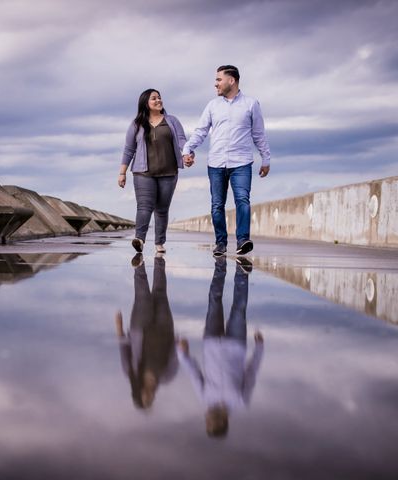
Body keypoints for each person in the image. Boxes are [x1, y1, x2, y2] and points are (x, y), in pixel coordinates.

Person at [182, 65, 271, 257]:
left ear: (232, 80)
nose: (215, 84)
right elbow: (201, 131)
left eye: (218, 80)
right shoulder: (212, 106)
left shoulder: (251, 104)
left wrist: (266, 158)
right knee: (217, 204)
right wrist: (188, 149)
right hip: (216, 163)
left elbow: (259, 134)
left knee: (242, 200)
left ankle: (243, 240)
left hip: (241, 163)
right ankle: (220, 243)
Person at [177, 257, 264, 438]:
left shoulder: (205, 399)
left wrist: (182, 354)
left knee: (214, 300)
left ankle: (220, 266)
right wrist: (259, 348)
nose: (206, 419)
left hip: (211, 341)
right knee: (239, 307)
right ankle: (242, 272)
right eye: (210, 423)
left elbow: (194, 373)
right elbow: (251, 373)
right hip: (236, 344)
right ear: (223, 422)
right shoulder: (241, 401)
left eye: (206, 422)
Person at [119, 89, 192, 254]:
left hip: (169, 172)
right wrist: (122, 172)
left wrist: (187, 155)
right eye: (154, 98)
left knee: (162, 209)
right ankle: (139, 239)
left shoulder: (172, 121)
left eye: (159, 97)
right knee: (144, 207)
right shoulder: (136, 124)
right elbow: (129, 149)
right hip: (143, 173)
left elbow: (182, 141)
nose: (158, 100)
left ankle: (159, 242)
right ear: (146, 102)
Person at [115, 254, 178, 409]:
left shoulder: (131, 372)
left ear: (138, 392)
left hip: (140, 328)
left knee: (142, 294)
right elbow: (175, 355)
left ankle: (139, 261)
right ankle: (159, 257)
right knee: (160, 292)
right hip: (165, 329)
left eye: (145, 398)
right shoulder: (167, 376)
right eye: (150, 400)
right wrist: (178, 343)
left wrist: (119, 327)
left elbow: (124, 349)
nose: (149, 396)